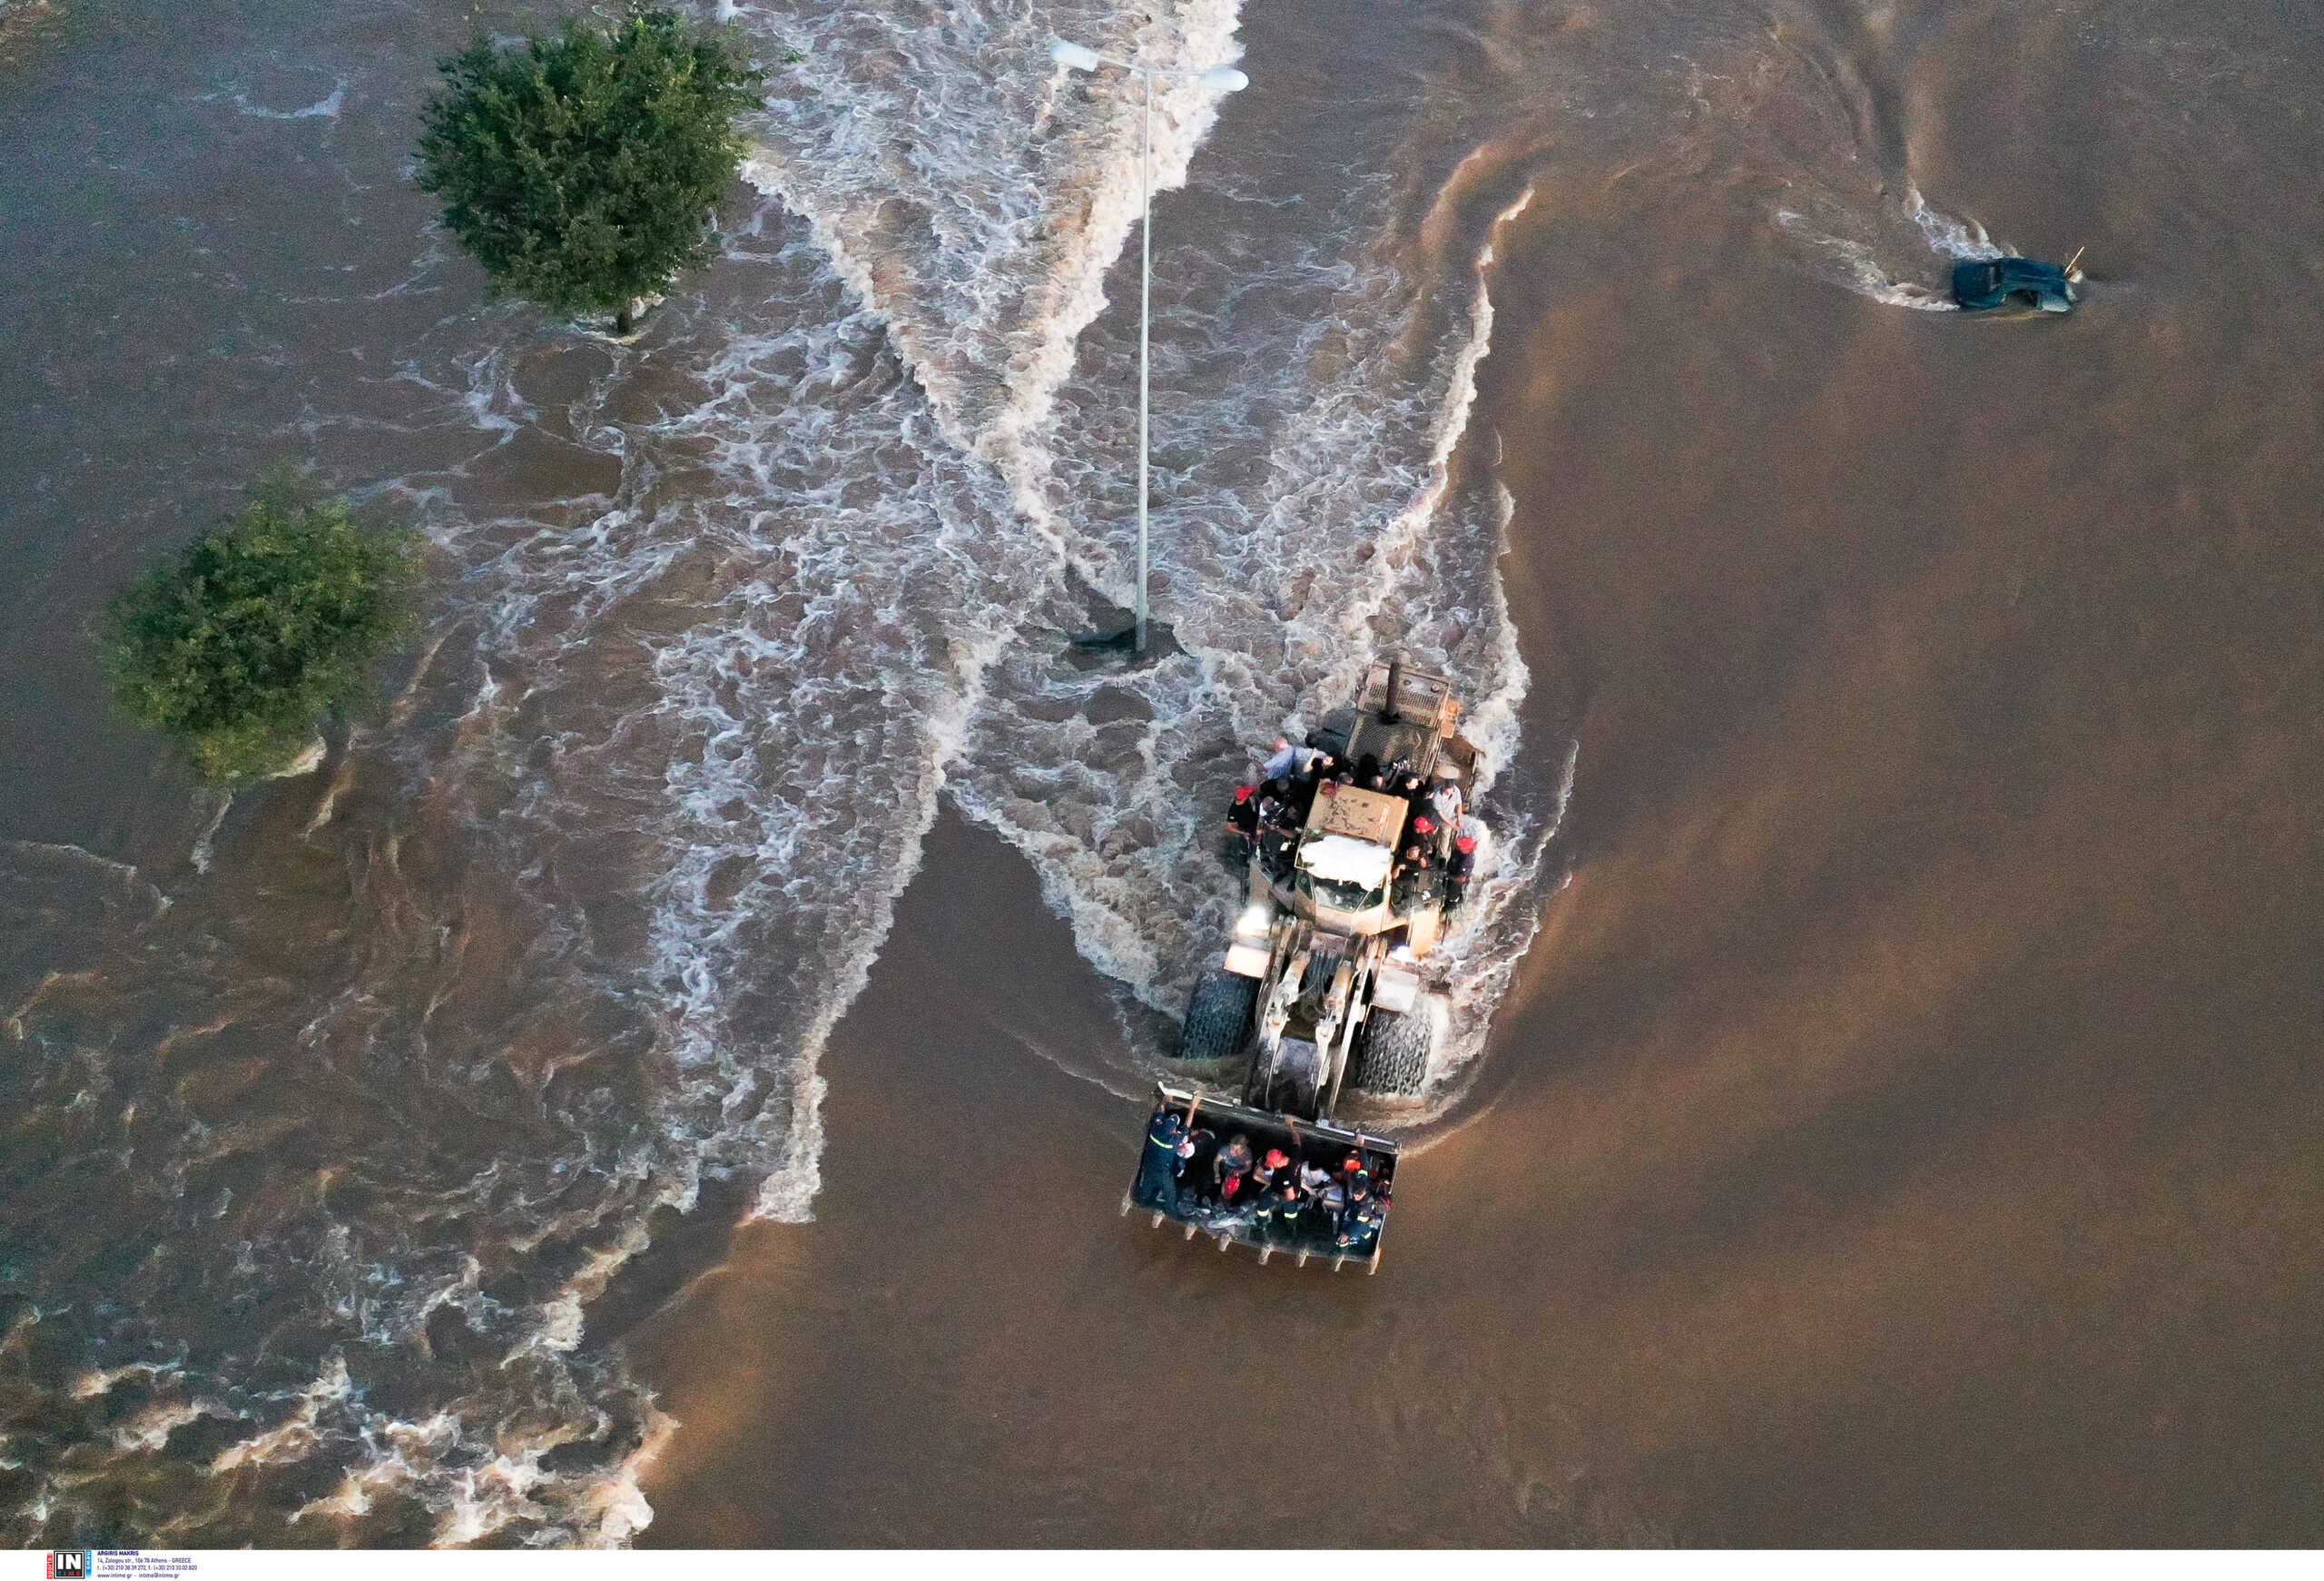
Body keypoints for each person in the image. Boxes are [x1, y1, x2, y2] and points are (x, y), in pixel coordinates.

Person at [1214, 1133, 1256, 1207]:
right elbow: (1216, 1161)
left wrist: (1240, 1172)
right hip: (1224, 1170)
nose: (1233, 1151)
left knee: (1242, 1188)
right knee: (1215, 1183)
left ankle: (1233, 1203)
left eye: (1237, 1149)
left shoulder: (1247, 1154)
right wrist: (1217, 1174)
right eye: (1232, 1148)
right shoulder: (1225, 1149)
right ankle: (1217, 1200)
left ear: (1243, 1148)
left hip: (1237, 1174)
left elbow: (1249, 1167)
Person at [1224, 784, 1258, 860]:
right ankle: (1244, 857)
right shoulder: (1233, 811)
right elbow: (1229, 827)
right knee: (1246, 845)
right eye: (1247, 795)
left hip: (1254, 820)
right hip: (1246, 828)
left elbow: (1250, 790)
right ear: (1244, 798)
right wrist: (1243, 833)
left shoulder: (1243, 798)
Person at [1444, 834, 1476, 909]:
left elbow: (1459, 879)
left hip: (1455, 881)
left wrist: (1446, 875)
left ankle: (1450, 906)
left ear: (1466, 849)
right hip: (1452, 869)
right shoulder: (1460, 851)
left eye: (1460, 846)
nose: (1458, 846)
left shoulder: (1465, 862)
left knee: (1452, 896)